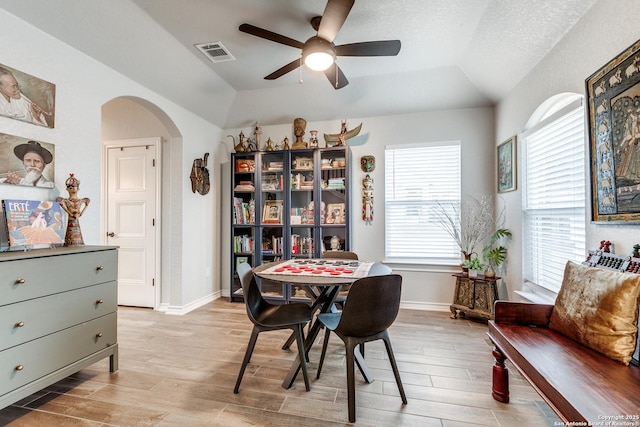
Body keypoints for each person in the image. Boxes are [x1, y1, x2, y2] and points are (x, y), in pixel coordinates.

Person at [56, 173, 90, 246]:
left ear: (78, 188)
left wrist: (81, 213)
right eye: (70, 188)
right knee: (71, 232)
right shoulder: (66, 201)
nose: (73, 189)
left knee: (77, 231)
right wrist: (70, 213)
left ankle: (76, 242)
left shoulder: (80, 201)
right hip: (71, 219)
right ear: (67, 189)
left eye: (75, 187)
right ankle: (69, 242)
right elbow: (64, 207)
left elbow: (82, 211)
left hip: (75, 220)